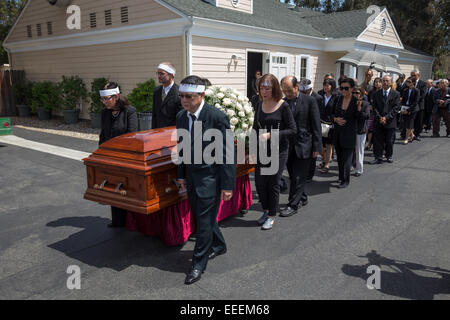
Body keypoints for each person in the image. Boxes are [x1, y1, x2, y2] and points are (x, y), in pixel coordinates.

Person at [175, 76, 236, 285]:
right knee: (205, 218)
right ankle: (219, 245)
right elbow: (182, 148)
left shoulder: (217, 117)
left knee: (202, 223)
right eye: (181, 96)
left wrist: (228, 185)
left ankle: (198, 264)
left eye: (189, 97)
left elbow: (228, 153)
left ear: (201, 95)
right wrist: (181, 175)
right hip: (191, 178)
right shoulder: (182, 117)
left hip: (210, 178)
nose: (184, 100)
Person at [253, 74, 296, 230]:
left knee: (273, 183)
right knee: (259, 182)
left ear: (275, 89)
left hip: (279, 150)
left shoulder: (283, 106)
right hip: (262, 149)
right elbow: (255, 128)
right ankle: (265, 210)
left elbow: (292, 130)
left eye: (267, 88)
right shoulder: (259, 104)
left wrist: (271, 135)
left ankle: (271, 215)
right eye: (261, 88)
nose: (264, 92)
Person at [280, 76, 321, 217]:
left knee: (298, 177)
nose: (287, 93)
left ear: (296, 87)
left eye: (289, 90)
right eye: (284, 91)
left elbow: (316, 125)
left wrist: (317, 147)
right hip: (288, 146)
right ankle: (302, 197)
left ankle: (292, 205)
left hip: (304, 144)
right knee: (293, 175)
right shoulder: (283, 103)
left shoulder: (310, 101)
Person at [98, 82, 138, 228]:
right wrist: (100, 152)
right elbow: (103, 134)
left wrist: (121, 152)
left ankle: (131, 220)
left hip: (125, 155)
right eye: (102, 99)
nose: (104, 102)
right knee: (113, 186)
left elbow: (132, 134)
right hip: (109, 155)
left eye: (107, 99)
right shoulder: (105, 113)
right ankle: (118, 220)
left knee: (127, 188)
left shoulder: (129, 111)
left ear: (116, 96)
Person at [330, 78, 363, 188]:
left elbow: (361, 119)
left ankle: (346, 180)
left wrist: (359, 108)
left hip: (349, 134)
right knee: (339, 158)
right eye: (341, 88)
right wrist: (335, 119)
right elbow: (330, 114)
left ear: (352, 89)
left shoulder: (356, 101)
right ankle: (341, 177)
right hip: (338, 133)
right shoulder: (337, 99)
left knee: (347, 159)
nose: (343, 90)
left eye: (346, 88)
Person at [370, 75, 401, 164]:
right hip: (378, 121)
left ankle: (389, 155)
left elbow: (396, 108)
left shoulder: (396, 94)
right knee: (378, 140)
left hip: (390, 121)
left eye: (387, 81)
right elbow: (374, 107)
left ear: (391, 83)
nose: (385, 82)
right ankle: (378, 157)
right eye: (383, 81)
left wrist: (386, 118)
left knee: (389, 140)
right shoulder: (376, 94)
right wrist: (380, 117)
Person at [299, 78, 323, 182]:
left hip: (312, 132)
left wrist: (318, 145)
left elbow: (317, 122)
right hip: (301, 133)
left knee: (312, 157)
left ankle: (309, 175)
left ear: (310, 90)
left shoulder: (317, 98)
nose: (303, 93)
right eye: (301, 92)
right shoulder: (297, 98)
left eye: (305, 92)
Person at [152, 62, 182, 129]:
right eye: (158, 73)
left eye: (162, 73)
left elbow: (180, 118)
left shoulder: (179, 93)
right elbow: (154, 114)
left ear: (171, 75)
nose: (159, 76)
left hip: (172, 133)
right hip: (158, 132)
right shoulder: (157, 91)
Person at [318, 78, 339, 173]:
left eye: (328, 85)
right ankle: (325, 157)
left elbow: (336, 110)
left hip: (330, 124)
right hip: (320, 122)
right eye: (324, 85)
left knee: (329, 144)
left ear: (332, 86)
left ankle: (326, 164)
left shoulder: (336, 96)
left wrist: (333, 118)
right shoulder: (320, 94)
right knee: (319, 144)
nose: (326, 87)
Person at [352, 86, 370, 177]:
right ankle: (351, 165)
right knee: (350, 150)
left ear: (361, 95)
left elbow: (367, 116)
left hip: (360, 130)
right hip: (350, 130)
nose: (355, 95)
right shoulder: (350, 103)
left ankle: (359, 169)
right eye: (354, 93)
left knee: (359, 151)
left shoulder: (365, 104)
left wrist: (359, 109)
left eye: (357, 93)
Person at [400, 78, 420, 145]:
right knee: (406, 123)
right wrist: (403, 108)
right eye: (407, 81)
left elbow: (416, 102)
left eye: (409, 82)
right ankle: (412, 135)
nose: (407, 83)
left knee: (410, 123)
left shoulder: (417, 90)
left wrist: (408, 110)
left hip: (413, 109)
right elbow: (403, 100)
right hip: (405, 107)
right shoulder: (405, 90)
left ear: (413, 83)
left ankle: (406, 138)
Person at [411, 70, 427, 141]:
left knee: (419, 120)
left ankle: (417, 134)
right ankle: (410, 134)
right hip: (411, 105)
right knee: (410, 120)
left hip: (419, 105)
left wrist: (415, 100)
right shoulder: (409, 82)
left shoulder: (423, 83)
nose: (413, 76)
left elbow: (423, 94)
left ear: (418, 75)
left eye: (414, 75)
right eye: (412, 75)